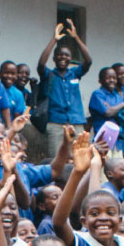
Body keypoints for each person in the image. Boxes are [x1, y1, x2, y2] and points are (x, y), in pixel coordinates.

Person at [37, 21, 92, 157]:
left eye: (67, 55)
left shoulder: (74, 74)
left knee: (78, 158)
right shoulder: (49, 75)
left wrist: (76, 38)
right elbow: (41, 64)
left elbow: (88, 61)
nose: (63, 57)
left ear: (70, 58)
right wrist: (54, 40)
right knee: (56, 160)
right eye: (60, 55)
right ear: (54, 58)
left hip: (76, 121)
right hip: (56, 123)